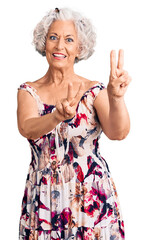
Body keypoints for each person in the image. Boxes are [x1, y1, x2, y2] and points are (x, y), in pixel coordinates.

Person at [17, 7, 131, 240]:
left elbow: (118, 132)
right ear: (44, 43)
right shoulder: (29, 91)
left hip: (91, 199)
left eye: (69, 40)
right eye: (53, 38)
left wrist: (116, 98)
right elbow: (27, 127)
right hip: (44, 200)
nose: (60, 46)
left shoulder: (93, 90)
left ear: (80, 48)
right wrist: (56, 116)